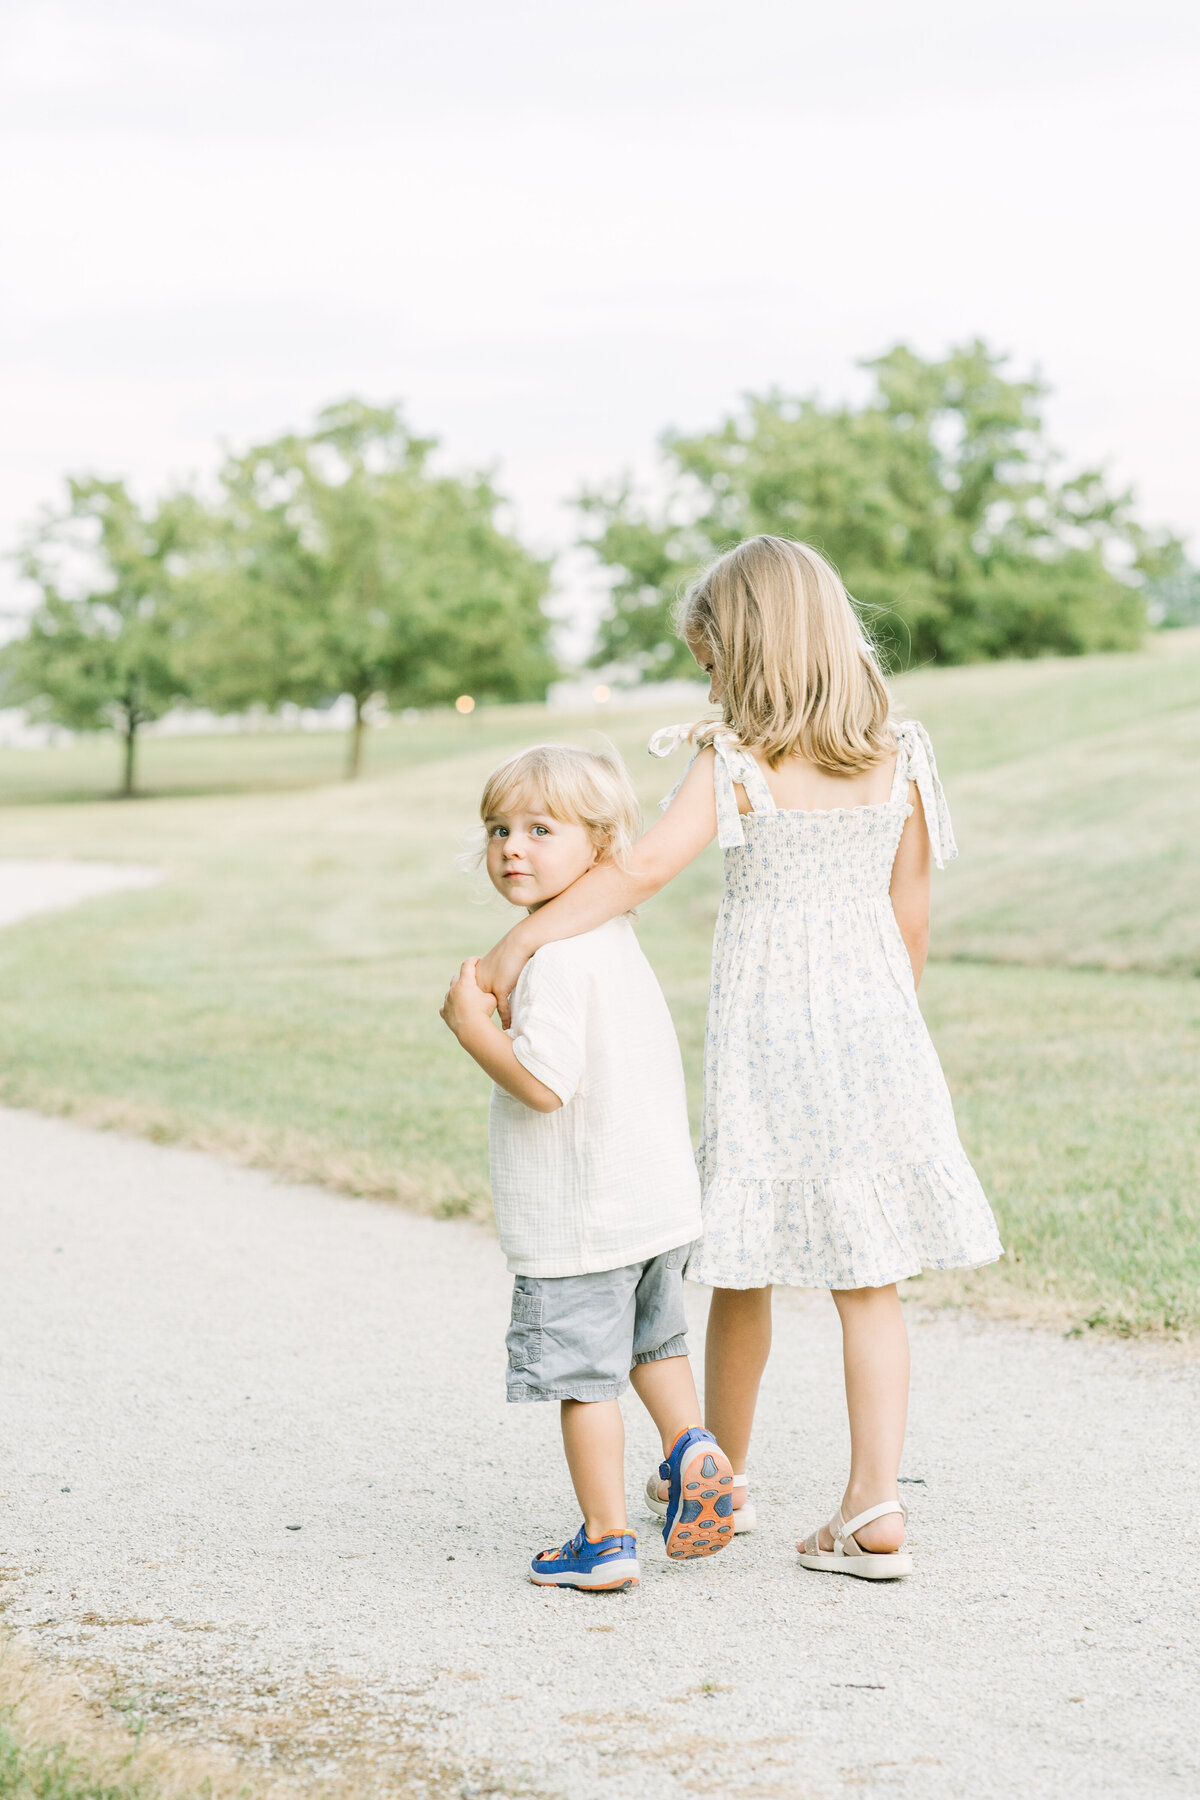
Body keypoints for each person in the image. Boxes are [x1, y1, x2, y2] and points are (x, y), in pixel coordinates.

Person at [476, 537, 1003, 1581]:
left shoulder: (736, 757)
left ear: (748, 651)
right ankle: (873, 1505)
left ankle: (716, 1471)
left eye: (712, 659)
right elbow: (911, 911)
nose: (706, 679)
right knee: (871, 1277)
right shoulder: (901, 750)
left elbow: (640, 872)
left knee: (743, 1265)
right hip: (879, 1027)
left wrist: (517, 942)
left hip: (769, 1029)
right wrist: (885, 1020)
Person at [440, 743, 736, 1592]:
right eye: (499, 829)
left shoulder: (556, 962)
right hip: (653, 1206)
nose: (511, 849)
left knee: (583, 1380)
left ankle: (605, 1538)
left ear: (602, 844)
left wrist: (474, 1031)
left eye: (540, 829)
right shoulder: (610, 934)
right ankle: (691, 1453)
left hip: (584, 1217)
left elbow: (544, 1086)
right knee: (656, 1343)